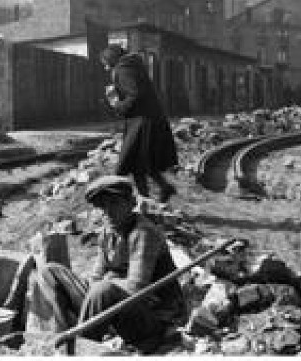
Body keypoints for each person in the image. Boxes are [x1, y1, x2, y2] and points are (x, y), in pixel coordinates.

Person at [27, 176, 187, 352]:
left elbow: (136, 288)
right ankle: (54, 337)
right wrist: (101, 286)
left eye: (114, 204)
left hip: (153, 318)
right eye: (102, 206)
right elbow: (96, 276)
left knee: (102, 290)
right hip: (116, 304)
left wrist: (108, 282)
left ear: (131, 203)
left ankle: (79, 349)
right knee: (50, 271)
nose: (107, 211)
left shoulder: (143, 233)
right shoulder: (107, 233)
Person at [100, 44, 178, 202]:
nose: (106, 68)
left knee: (134, 161)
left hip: (142, 122)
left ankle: (143, 200)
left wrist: (116, 103)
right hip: (145, 120)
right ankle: (159, 191)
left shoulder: (123, 70)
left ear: (112, 59)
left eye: (106, 63)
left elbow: (135, 95)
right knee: (139, 162)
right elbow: (136, 93)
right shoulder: (131, 66)